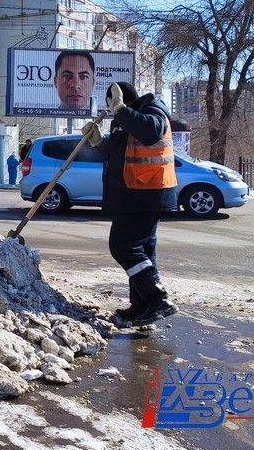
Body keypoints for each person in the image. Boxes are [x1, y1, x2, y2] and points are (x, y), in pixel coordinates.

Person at [81, 82, 178, 327]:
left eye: (112, 102)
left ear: (122, 99)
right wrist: (98, 142)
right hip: (133, 195)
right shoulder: (124, 119)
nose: (111, 108)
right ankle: (142, 306)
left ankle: (158, 299)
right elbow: (118, 154)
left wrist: (122, 111)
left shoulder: (153, 110)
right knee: (142, 252)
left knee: (123, 247)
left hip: (146, 194)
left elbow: (151, 132)